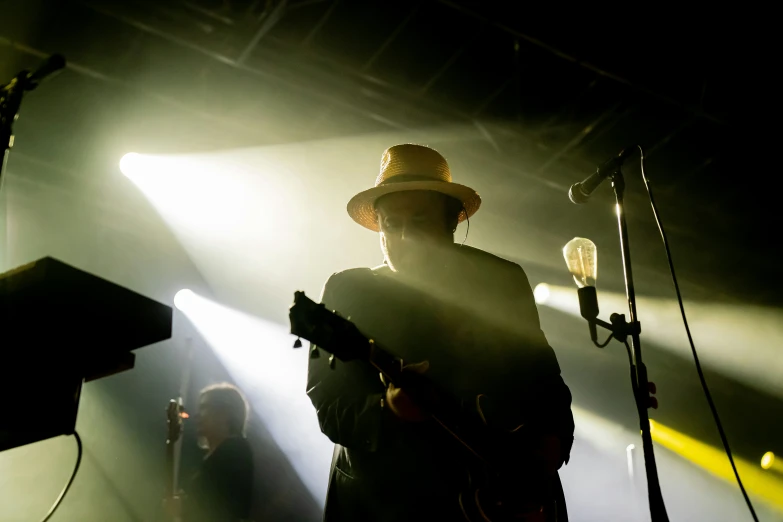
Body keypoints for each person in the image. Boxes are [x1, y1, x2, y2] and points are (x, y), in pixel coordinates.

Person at [306, 144, 575, 522]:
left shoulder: (501, 279)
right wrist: (388, 409)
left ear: (451, 223)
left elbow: (544, 379)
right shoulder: (348, 291)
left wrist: (553, 439)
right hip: (387, 505)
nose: (403, 237)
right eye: (390, 224)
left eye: (419, 221)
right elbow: (331, 407)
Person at [169, 382, 254, 522]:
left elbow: (219, 508)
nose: (197, 416)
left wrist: (184, 506)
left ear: (224, 412)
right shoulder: (230, 452)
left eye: (204, 408)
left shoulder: (234, 451)